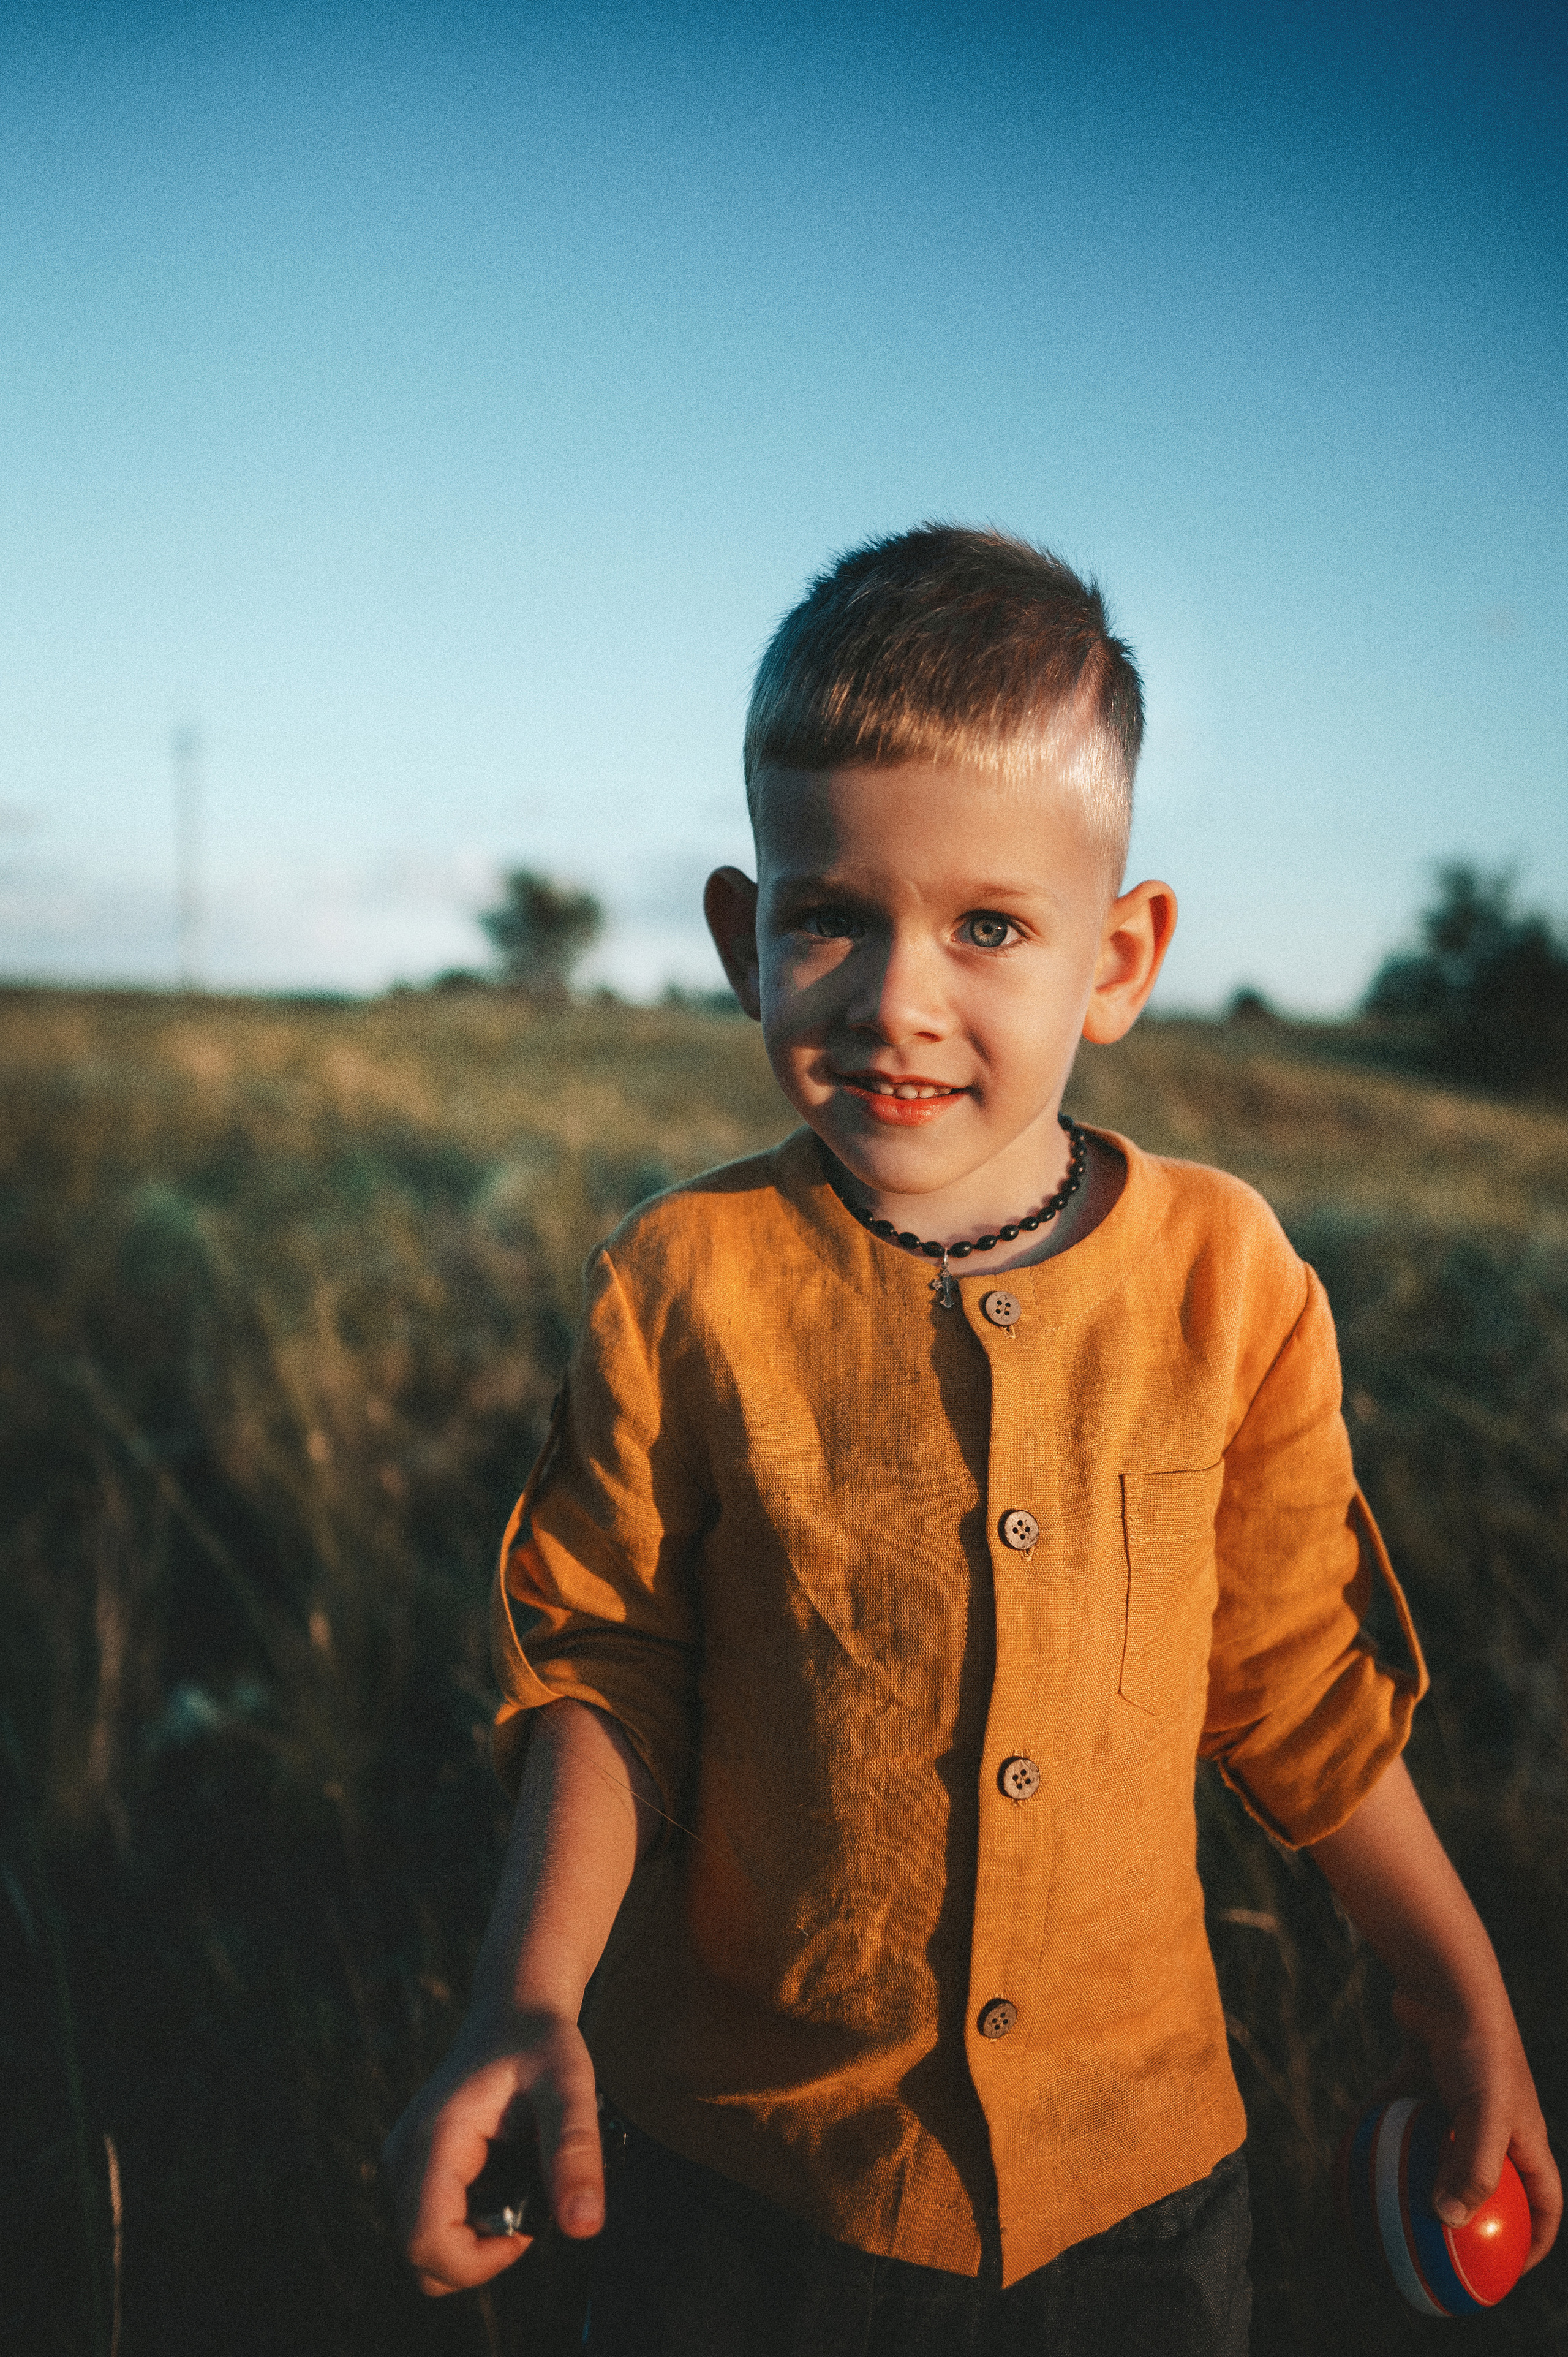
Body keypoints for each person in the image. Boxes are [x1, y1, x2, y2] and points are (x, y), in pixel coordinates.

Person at [383, 527, 1559, 2353]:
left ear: (1121, 953)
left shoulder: (1229, 1281)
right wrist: (528, 1997)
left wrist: (1463, 2002)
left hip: (1140, 2207)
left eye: (990, 926)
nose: (897, 999)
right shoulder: (685, 1283)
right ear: (740, 940)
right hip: (749, 2192)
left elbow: (1297, 1684)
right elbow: (608, 1672)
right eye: (832, 916)